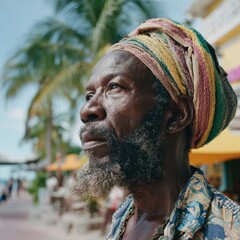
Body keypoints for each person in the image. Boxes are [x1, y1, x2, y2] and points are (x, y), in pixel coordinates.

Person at [72, 18, 240, 239]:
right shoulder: (122, 217)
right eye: (89, 95)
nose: (86, 110)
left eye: (114, 87)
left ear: (177, 115)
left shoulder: (229, 230)